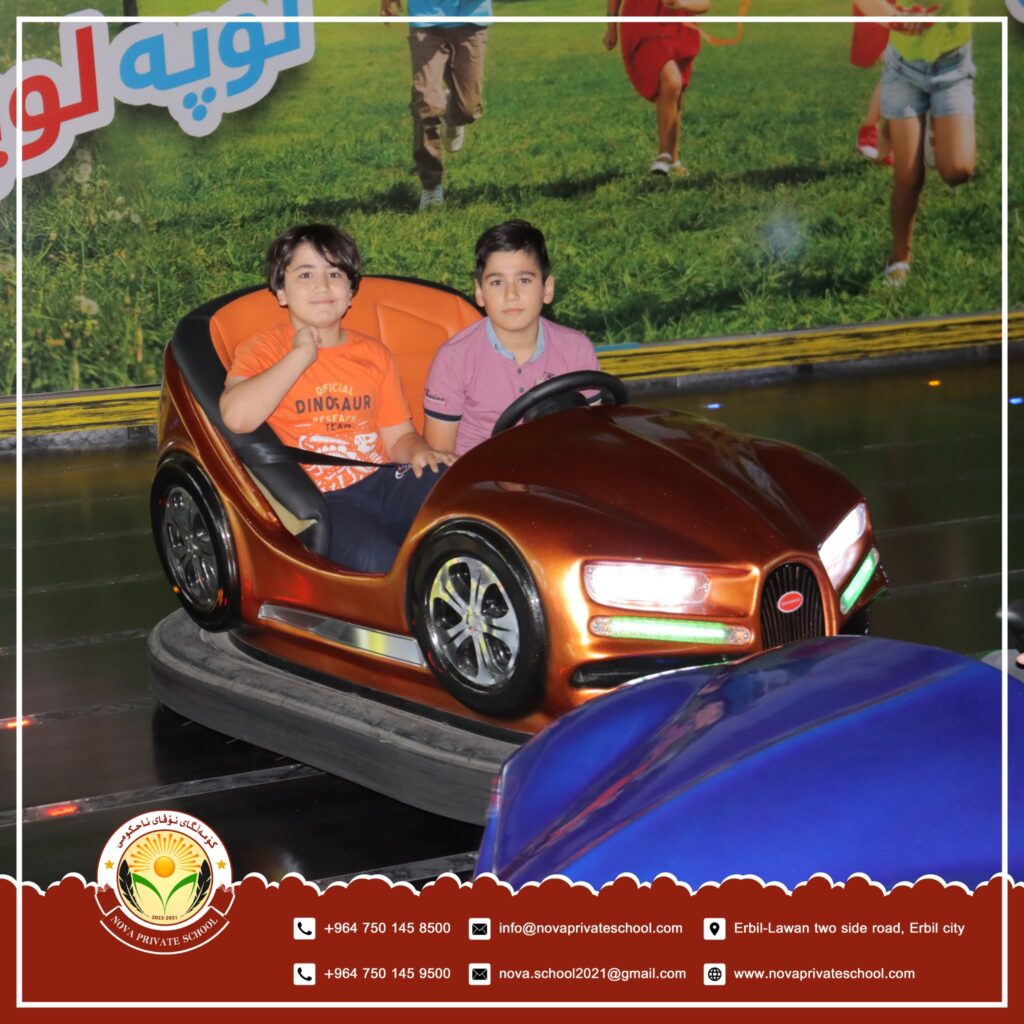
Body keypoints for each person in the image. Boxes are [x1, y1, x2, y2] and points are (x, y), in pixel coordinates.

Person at [220, 224, 456, 573]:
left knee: (455, 493)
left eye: (334, 274)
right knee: (379, 561)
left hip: (381, 480)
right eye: (305, 274)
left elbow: (398, 438)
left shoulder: (374, 354)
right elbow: (237, 417)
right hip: (324, 500)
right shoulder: (264, 349)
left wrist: (421, 451)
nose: (322, 286)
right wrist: (301, 355)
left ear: (350, 292)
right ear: (281, 291)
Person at [423, 220, 601, 455]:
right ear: (480, 292)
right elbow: (440, 456)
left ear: (547, 289)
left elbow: (594, 434)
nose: (511, 295)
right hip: (478, 471)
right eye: (497, 282)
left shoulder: (577, 349)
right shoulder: (454, 358)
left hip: (557, 465)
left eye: (524, 280)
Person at [855, 0, 975, 287]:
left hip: (952, 66)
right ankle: (899, 258)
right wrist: (894, 17)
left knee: (957, 171)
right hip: (903, 69)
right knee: (908, 176)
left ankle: (928, 124)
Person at [380, 1, 491, 210]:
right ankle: (431, 186)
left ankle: (453, 116)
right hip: (426, 19)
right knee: (426, 103)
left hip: (470, 19)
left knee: (468, 109)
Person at [603, 0, 710, 176]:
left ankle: (673, 159)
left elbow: (704, 4)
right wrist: (611, 27)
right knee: (672, 82)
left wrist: (680, 3)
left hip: (679, 29)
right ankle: (664, 156)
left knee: (674, 92)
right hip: (643, 24)